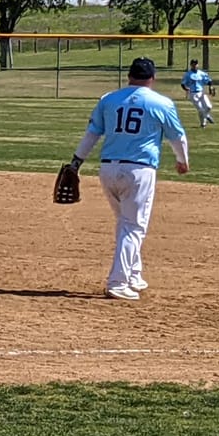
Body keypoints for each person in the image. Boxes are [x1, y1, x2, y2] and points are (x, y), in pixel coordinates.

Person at [65, 57, 188, 301]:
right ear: (152, 79)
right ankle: (118, 283)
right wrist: (182, 160)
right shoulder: (161, 103)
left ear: (129, 76)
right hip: (139, 171)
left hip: (108, 170)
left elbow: (92, 134)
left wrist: (76, 162)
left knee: (126, 222)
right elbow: (178, 137)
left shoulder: (109, 99)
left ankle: (133, 274)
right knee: (133, 226)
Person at [181, 59, 215, 127]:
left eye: (196, 64)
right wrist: (185, 88)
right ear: (191, 65)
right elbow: (183, 84)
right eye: (193, 64)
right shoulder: (188, 74)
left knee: (209, 107)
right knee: (201, 110)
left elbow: (208, 80)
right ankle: (203, 124)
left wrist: (210, 87)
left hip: (201, 92)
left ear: (198, 65)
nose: (195, 66)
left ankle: (207, 115)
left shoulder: (201, 73)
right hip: (193, 94)